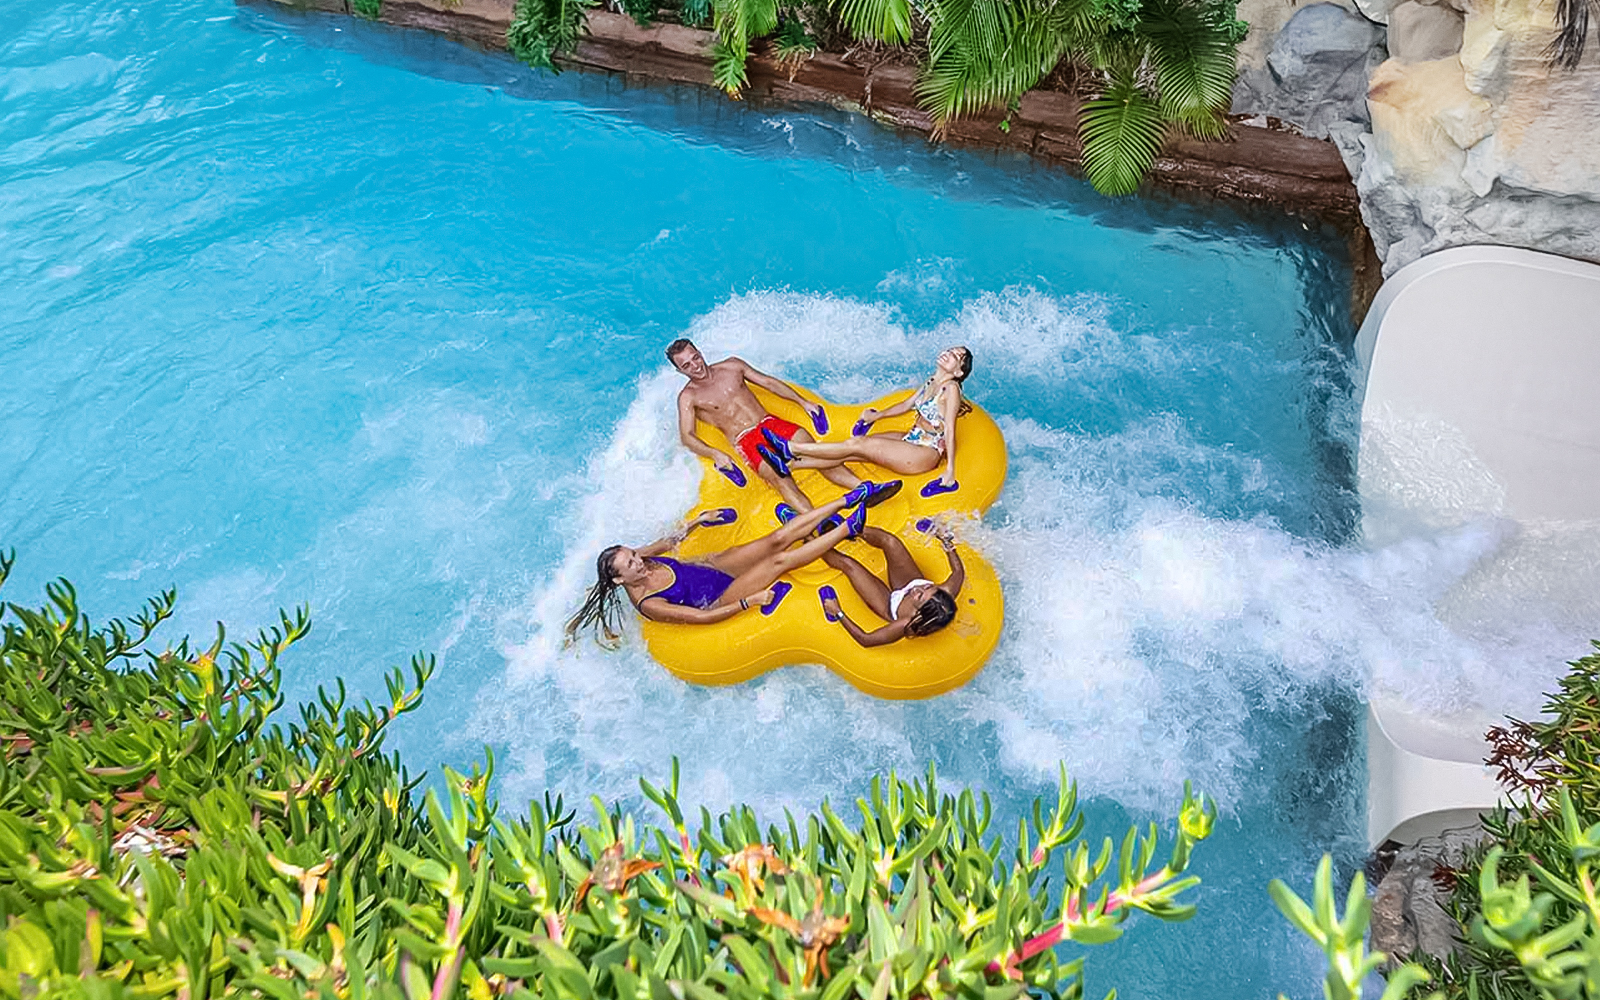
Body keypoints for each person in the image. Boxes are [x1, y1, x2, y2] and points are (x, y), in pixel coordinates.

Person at [565, 488, 878, 646]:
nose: (638, 561)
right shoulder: (652, 604)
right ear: (620, 580)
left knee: (777, 538)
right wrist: (748, 602)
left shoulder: (641, 559)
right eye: (631, 564)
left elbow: (668, 541)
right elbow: (703, 618)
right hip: (722, 594)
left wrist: (698, 522)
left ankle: (846, 501)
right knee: (777, 561)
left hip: (711, 566)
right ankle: (846, 529)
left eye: (633, 554)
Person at [667, 339, 898, 511]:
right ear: (679, 371)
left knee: (818, 450)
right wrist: (715, 453)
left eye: (695, 357)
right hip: (747, 440)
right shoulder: (689, 397)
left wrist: (803, 402)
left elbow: (768, 383)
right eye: (686, 365)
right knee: (781, 479)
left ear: (700, 352)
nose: (695, 366)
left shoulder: (732, 366)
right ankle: (819, 522)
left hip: (771, 424)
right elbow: (686, 435)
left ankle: (864, 489)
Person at [764, 347, 972, 497]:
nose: (948, 352)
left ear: (958, 372)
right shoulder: (931, 381)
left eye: (955, 356)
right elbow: (906, 404)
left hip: (925, 452)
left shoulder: (951, 389)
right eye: (950, 350)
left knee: (857, 444)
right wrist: (877, 416)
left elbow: (950, 430)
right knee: (854, 450)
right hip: (912, 438)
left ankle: (793, 448)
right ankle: (790, 466)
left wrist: (950, 471)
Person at [815, 521, 965, 647]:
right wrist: (945, 540)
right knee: (890, 541)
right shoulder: (946, 591)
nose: (917, 590)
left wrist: (838, 612)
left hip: (890, 605)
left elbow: (866, 640)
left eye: (919, 596)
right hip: (908, 580)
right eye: (928, 587)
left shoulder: (907, 623)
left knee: (849, 565)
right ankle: (848, 528)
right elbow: (958, 572)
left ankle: (811, 540)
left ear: (918, 612)